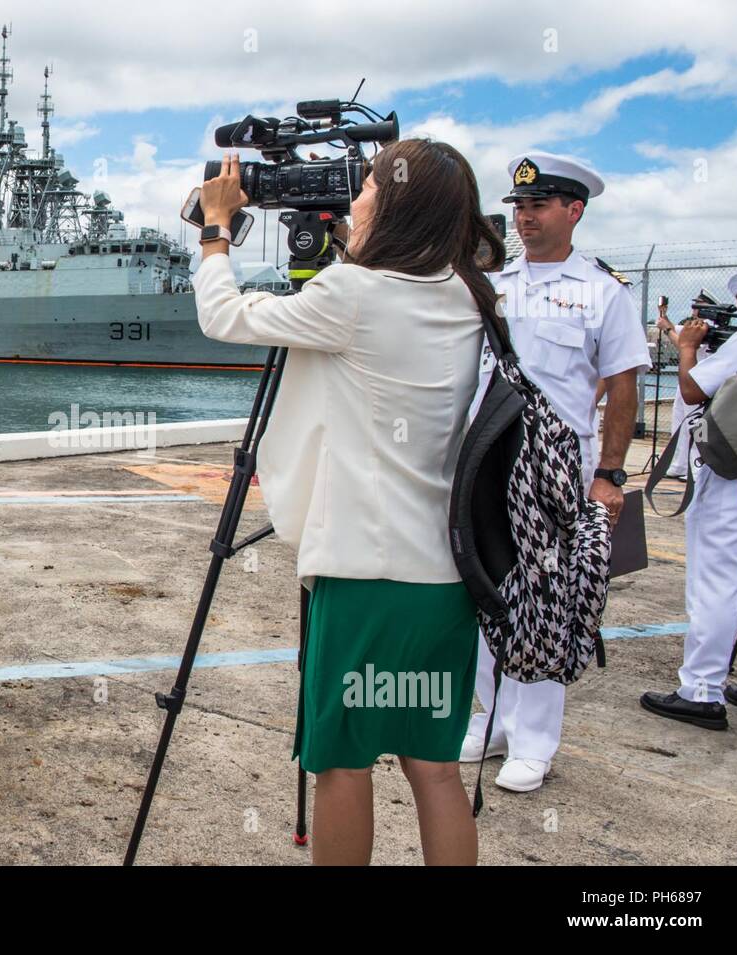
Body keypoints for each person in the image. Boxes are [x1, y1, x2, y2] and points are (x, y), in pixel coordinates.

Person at [194, 139, 503, 865]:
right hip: (443, 580)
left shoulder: (353, 297)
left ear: (394, 203)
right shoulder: (468, 292)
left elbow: (225, 316)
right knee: (434, 767)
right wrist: (344, 238)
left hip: (366, 576)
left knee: (341, 763)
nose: (357, 195)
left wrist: (215, 228)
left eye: (365, 186)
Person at [461, 152, 651, 793]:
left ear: (574, 210)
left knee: (544, 599)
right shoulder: (495, 286)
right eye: (518, 206)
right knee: (486, 587)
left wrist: (610, 475)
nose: (524, 217)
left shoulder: (604, 293)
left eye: (538, 205)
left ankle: (535, 742)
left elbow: (622, 390)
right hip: (489, 460)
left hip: (556, 469)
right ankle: (492, 721)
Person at [641, 265, 737, 727]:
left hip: (733, 479)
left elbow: (691, 387)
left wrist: (688, 349)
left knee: (715, 579)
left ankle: (702, 689)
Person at [656, 299, 709, 478]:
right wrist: (664, 315)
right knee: (679, 421)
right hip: (686, 378)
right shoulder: (692, 324)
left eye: (697, 307)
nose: (693, 310)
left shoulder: (707, 327)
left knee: (696, 423)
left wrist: (668, 329)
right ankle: (679, 463)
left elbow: (685, 345)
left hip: (700, 380)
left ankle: (696, 466)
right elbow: (674, 329)